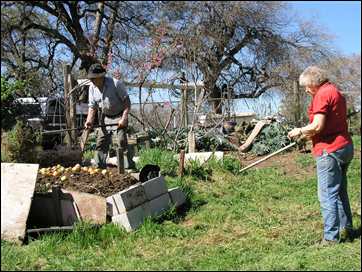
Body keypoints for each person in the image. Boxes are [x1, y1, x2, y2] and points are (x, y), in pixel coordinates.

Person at [288, 66, 354, 245]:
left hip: (330, 149)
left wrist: (299, 130)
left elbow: (317, 125)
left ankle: (331, 238)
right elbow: (328, 123)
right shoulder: (335, 92)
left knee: (327, 194)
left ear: (313, 82)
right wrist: (306, 134)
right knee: (340, 191)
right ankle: (347, 228)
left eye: (307, 86)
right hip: (345, 146)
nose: (306, 90)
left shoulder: (322, 94)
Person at [84, 63, 135, 170]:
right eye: (91, 78)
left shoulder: (116, 84)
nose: (92, 81)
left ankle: (127, 167)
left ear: (101, 77)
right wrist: (89, 121)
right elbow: (92, 107)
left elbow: (127, 102)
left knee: (121, 140)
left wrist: (124, 118)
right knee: (101, 141)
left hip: (119, 115)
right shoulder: (92, 88)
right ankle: (99, 166)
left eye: (94, 78)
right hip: (105, 116)